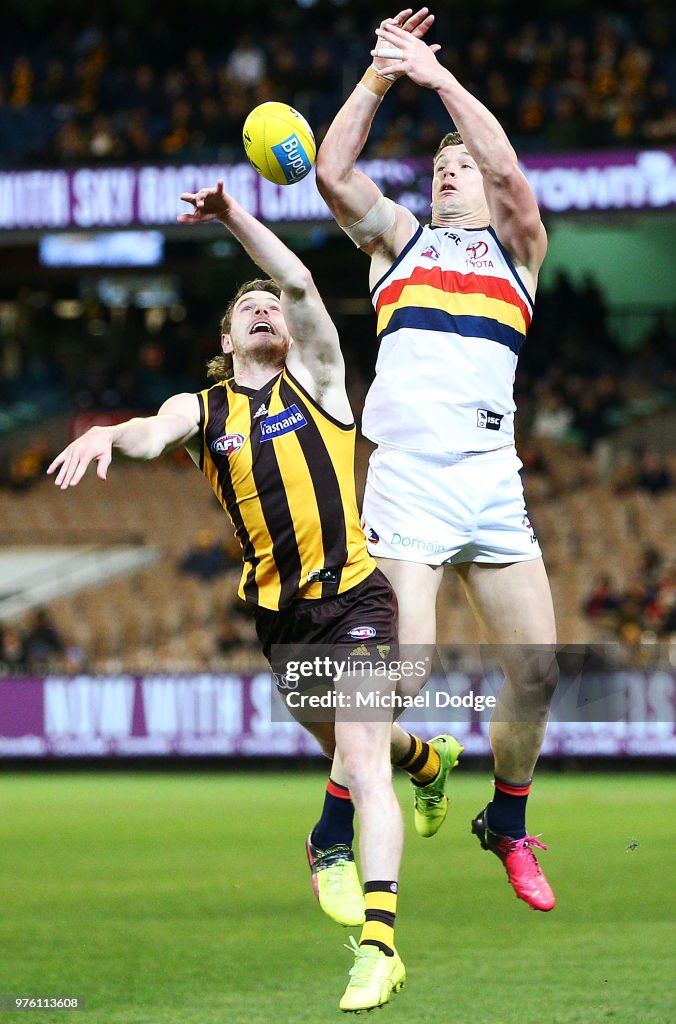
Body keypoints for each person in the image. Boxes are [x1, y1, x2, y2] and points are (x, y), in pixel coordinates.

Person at [47, 179, 461, 1011]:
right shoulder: (201, 409)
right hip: (281, 622)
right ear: (225, 337)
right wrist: (106, 431)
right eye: (249, 309)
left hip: (355, 602)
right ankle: (432, 759)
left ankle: (378, 945)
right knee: (356, 752)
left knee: (359, 766)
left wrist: (234, 217)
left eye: (271, 305)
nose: (267, 310)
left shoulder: (317, 379)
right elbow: (149, 432)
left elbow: (303, 287)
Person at [315, 6, 559, 912]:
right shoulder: (400, 245)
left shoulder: (520, 255)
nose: (452, 170)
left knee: (537, 672)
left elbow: (506, 171)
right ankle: (333, 833)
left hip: (490, 481)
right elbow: (333, 174)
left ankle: (506, 820)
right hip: (410, 481)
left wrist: (441, 81)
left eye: (461, 164)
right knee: (398, 672)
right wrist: (381, 74)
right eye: (439, 165)